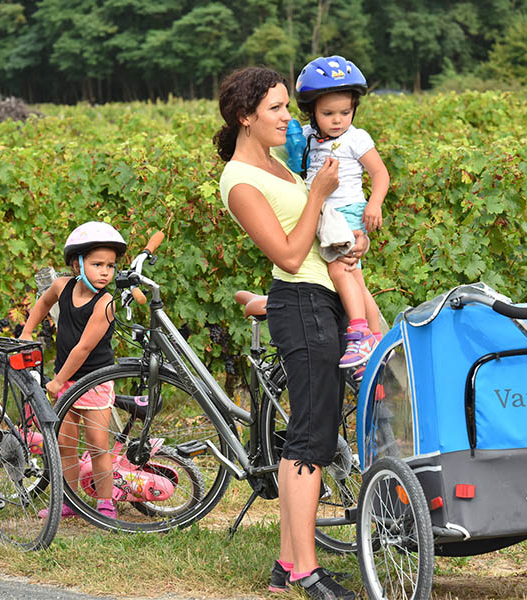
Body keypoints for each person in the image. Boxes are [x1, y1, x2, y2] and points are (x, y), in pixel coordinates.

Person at [214, 66, 367, 600]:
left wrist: (349, 238)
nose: (288, 117)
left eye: (286, 106)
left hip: (322, 299)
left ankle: (287, 565)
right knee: (310, 437)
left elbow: (317, 235)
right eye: (276, 109)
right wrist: (321, 192)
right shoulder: (239, 181)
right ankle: (306, 571)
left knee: (317, 433)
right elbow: (287, 253)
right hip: (300, 305)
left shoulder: (278, 165)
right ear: (245, 117)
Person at [19, 221, 126, 521]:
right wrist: (27, 331)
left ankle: (105, 504)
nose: (105, 271)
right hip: (65, 378)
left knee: (97, 445)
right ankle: (69, 502)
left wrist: (57, 381)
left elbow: (82, 348)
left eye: (110, 266)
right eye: (97, 264)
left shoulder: (105, 304)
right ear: (77, 263)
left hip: (93, 382)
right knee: (65, 444)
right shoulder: (62, 286)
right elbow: (43, 304)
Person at [295, 55, 390, 370]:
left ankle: (359, 332)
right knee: (356, 281)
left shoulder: (356, 138)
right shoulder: (308, 138)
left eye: (345, 112)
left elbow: (380, 174)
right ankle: (377, 341)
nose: (337, 120)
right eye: (328, 113)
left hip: (347, 210)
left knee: (339, 268)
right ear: (312, 112)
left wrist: (374, 203)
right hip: (324, 214)